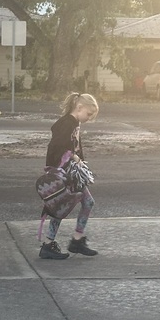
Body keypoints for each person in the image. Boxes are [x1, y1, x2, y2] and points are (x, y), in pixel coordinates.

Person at [39, 91, 99, 260]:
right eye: (88, 114)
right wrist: (73, 158)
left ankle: (76, 240)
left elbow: (75, 149)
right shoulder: (66, 124)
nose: (89, 118)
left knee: (85, 202)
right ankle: (49, 245)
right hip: (64, 173)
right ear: (79, 107)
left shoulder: (74, 124)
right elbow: (56, 148)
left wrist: (81, 164)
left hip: (72, 173)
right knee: (60, 207)